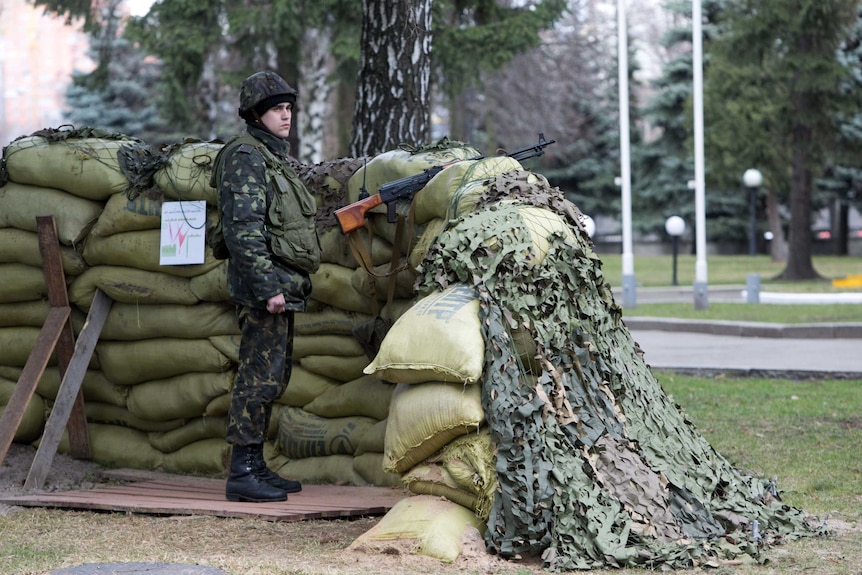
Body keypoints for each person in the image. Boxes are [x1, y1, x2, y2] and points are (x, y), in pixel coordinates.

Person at [212, 70, 321, 503]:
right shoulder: (245, 156)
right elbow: (243, 229)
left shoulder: (271, 155)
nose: (286, 115)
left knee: (273, 374)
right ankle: (242, 471)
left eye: (289, 108)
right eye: (277, 109)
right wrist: (267, 286)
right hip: (265, 289)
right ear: (256, 114)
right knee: (257, 376)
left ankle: (255, 464)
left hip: (282, 286)